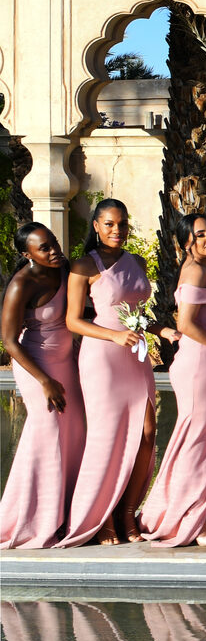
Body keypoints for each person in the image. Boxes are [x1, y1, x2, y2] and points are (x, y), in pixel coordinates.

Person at [58, 198, 158, 547]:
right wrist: (115, 334)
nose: (117, 230)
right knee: (107, 436)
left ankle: (127, 513)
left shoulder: (138, 262)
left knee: (147, 431)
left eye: (123, 224)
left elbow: (140, 308)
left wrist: (163, 330)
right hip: (103, 356)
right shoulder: (84, 265)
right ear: (97, 226)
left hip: (136, 354)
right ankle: (100, 520)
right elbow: (73, 320)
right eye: (110, 224)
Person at [142, 215, 206, 547]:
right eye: (200, 234)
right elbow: (185, 324)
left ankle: (173, 512)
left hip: (204, 365)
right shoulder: (195, 270)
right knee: (197, 442)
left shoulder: (204, 269)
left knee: (197, 440)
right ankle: (190, 521)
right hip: (197, 364)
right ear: (187, 242)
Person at [0, 222, 82, 548]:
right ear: (27, 254)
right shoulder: (22, 284)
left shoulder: (64, 269)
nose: (53, 250)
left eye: (53, 242)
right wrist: (45, 381)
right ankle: (40, 521)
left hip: (67, 362)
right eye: (43, 248)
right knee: (47, 435)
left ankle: (65, 512)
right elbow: (9, 341)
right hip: (36, 366)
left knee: (72, 435)